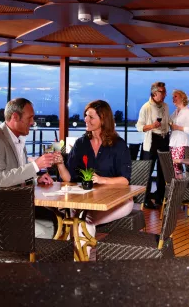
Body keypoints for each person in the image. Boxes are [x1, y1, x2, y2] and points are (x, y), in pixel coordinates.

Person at [0, 98, 58, 238]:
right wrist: (35, 165)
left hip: (17, 206)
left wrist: (36, 179)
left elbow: (16, 172)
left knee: (57, 221)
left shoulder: (18, 139)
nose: (33, 122)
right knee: (51, 230)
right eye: (30, 117)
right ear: (15, 117)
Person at [55, 100, 132, 240]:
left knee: (83, 221)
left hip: (117, 202)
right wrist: (60, 164)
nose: (85, 119)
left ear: (102, 119)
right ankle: (73, 259)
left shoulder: (118, 145)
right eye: (86, 115)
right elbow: (69, 178)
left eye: (91, 117)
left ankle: (77, 260)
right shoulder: (81, 143)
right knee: (79, 219)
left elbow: (125, 180)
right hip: (85, 201)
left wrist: (101, 180)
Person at [136, 81, 170, 209]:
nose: (165, 94)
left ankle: (160, 197)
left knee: (163, 170)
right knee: (148, 171)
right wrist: (152, 126)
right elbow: (139, 127)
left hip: (164, 139)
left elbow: (168, 122)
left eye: (165, 92)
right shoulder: (146, 107)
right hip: (152, 140)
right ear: (154, 93)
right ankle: (145, 199)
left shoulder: (166, 106)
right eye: (162, 92)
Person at [169, 89, 189, 175]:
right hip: (172, 143)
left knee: (177, 168)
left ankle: (179, 187)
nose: (173, 98)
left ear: (182, 98)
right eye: (172, 97)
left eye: (175, 96)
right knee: (172, 169)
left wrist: (178, 127)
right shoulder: (174, 113)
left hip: (181, 144)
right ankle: (175, 187)